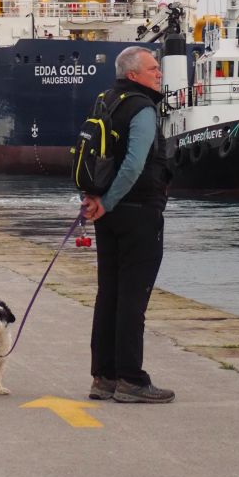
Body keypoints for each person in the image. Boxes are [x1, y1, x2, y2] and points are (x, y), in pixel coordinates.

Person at [79, 46, 174, 404]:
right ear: (133, 74)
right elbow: (134, 164)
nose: (158, 74)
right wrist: (111, 201)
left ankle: (103, 378)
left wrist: (94, 198)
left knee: (109, 295)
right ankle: (132, 380)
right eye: (153, 69)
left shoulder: (105, 101)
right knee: (133, 299)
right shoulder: (142, 108)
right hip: (137, 212)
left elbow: (92, 154)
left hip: (108, 214)